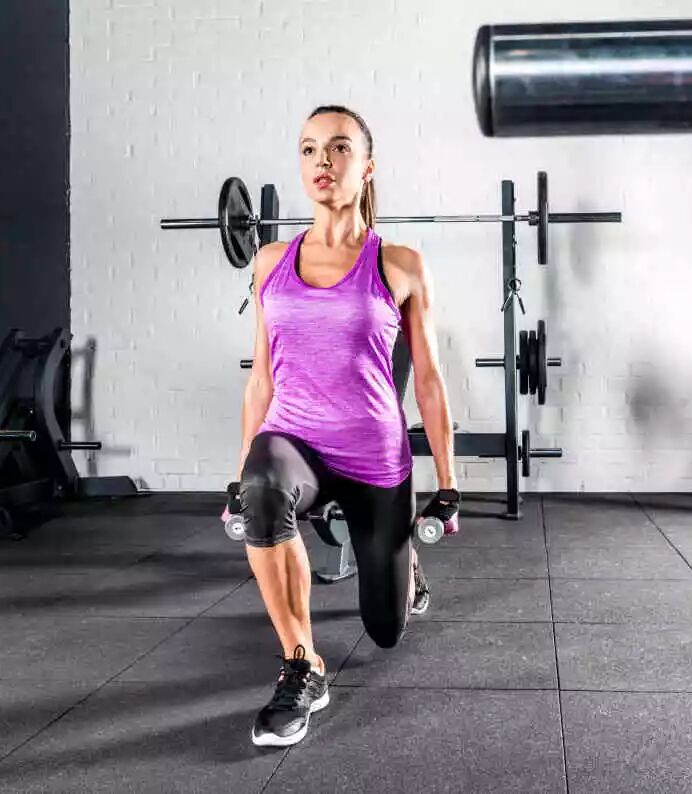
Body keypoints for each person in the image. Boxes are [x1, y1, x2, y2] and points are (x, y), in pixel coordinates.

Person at [225, 104, 459, 748]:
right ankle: (303, 666)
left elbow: (429, 379)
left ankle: (406, 569)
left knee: (385, 630)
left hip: (373, 458)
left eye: (338, 148)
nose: (321, 162)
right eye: (308, 150)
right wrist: (239, 474)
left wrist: (448, 483)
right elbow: (261, 377)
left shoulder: (400, 264)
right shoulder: (270, 261)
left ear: (368, 167)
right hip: (292, 441)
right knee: (262, 494)